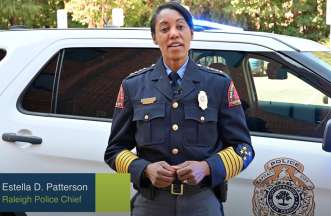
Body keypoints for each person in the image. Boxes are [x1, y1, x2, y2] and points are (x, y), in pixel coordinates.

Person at [104, 2, 254, 215]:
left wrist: (207, 167)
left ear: (191, 33)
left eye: (180, 27)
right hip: (151, 203)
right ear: (155, 38)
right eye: (165, 29)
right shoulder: (133, 86)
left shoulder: (218, 84)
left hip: (202, 202)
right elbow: (114, 151)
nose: (173, 34)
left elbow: (244, 149)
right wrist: (145, 169)